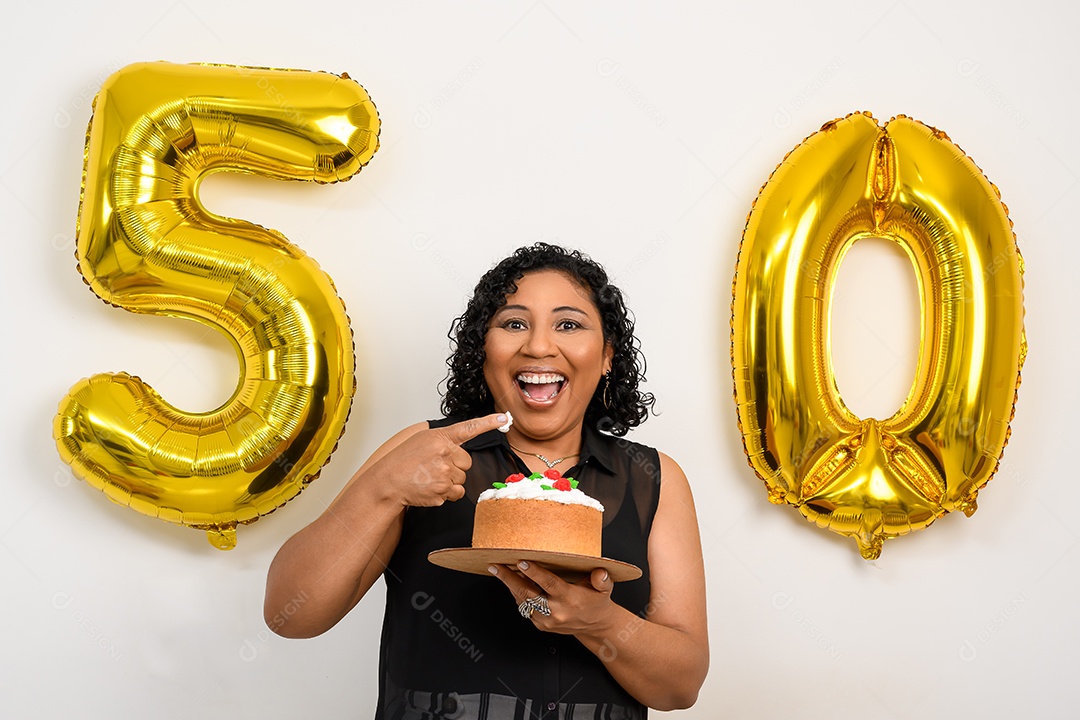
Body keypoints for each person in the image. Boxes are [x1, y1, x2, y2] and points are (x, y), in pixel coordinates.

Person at [264, 243, 708, 717]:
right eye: (514, 324)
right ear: (483, 349)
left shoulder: (654, 478)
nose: (539, 346)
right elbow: (291, 615)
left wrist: (600, 623)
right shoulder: (422, 451)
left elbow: (680, 689)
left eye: (568, 324)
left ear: (606, 357)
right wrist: (381, 490)